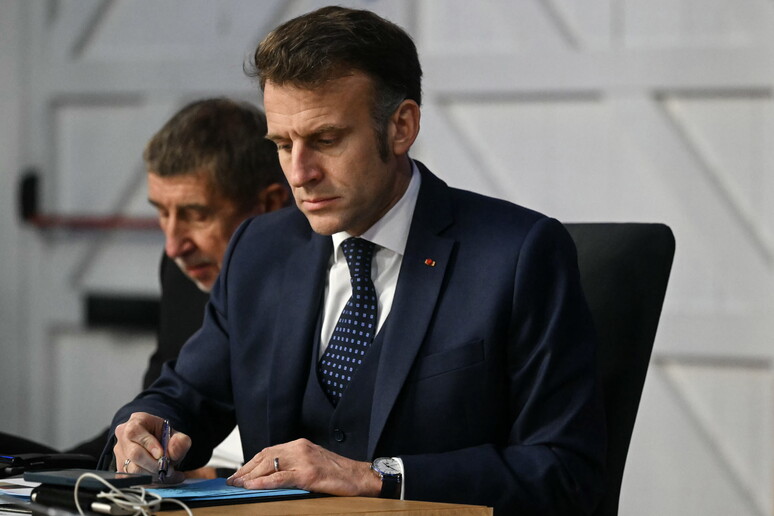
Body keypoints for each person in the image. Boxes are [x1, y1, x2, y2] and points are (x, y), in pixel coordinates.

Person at [107, 7, 606, 514]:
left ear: (401, 127)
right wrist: (145, 430)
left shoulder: (518, 255)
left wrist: (376, 477)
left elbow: (566, 472)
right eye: (283, 144)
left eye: (325, 140)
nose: (299, 173)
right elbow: (184, 397)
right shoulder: (259, 248)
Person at [0, 98, 288, 473]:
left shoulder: (325, 275)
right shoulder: (183, 272)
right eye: (162, 212)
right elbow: (162, 408)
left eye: (196, 215)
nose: (174, 246)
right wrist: (52, 471)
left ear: (270, 204)